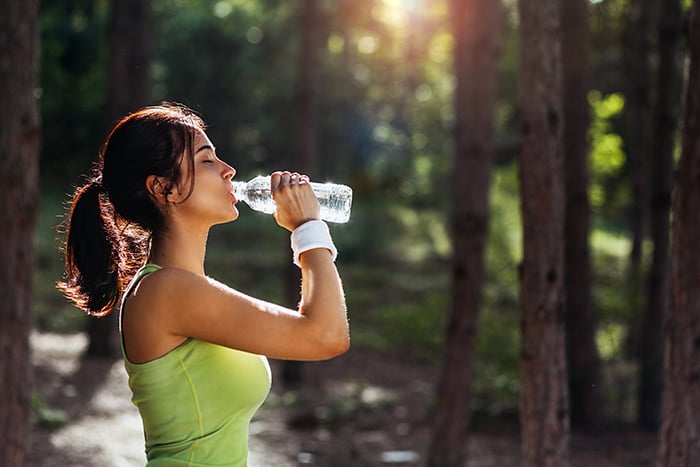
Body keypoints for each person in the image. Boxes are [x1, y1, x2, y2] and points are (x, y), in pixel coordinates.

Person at [58, 102, 349, 466]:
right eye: (207, 160)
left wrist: (309, 230)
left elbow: (319, 331)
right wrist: (307, 228)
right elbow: (326, 336)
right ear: (164, 188)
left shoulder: (184, 288)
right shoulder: (168, 291)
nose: (229, 170)